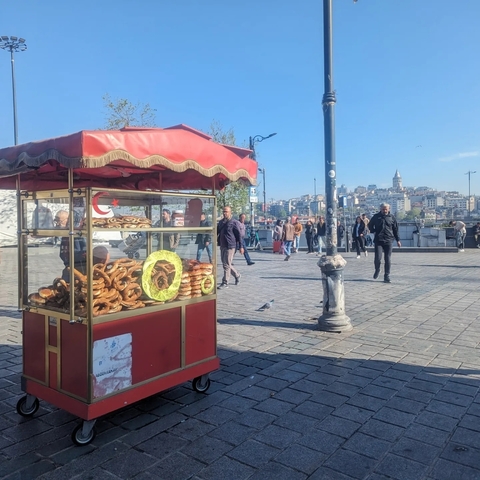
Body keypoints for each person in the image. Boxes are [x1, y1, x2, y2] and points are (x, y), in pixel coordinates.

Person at [368, 203, 401, 283]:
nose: (384, 211)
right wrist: (374, 231)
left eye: (386, 209)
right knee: (378, 258)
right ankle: (377, 269)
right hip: (378, 240)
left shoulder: (392, 217)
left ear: (389, 209)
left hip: (389, 240)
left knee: (388, 258)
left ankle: (387, 275)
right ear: (380, 209)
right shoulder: (376, 217)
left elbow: (395, 229)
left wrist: (398, 240)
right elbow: (370, 225)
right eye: (383, 209)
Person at [55, 210, 87, 280]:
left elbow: (82, 253)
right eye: (56, 221)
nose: (57, 224)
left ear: (68, 220)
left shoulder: (75, 235)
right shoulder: (65, 234)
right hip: (69, 267)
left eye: (60, 221)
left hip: (78, 270)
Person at [217, 206, 243, 289]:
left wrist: (241, 247)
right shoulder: (221, 222)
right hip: (222, 245)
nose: (225, 213)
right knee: (226, 264)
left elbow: (239, 235)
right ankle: (237, 275)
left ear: (230, 212)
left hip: (230, 246)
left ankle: (225, 282)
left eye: (226, 212)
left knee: (226, 264)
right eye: (224, 211)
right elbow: (216, 232)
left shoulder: (234, 222)